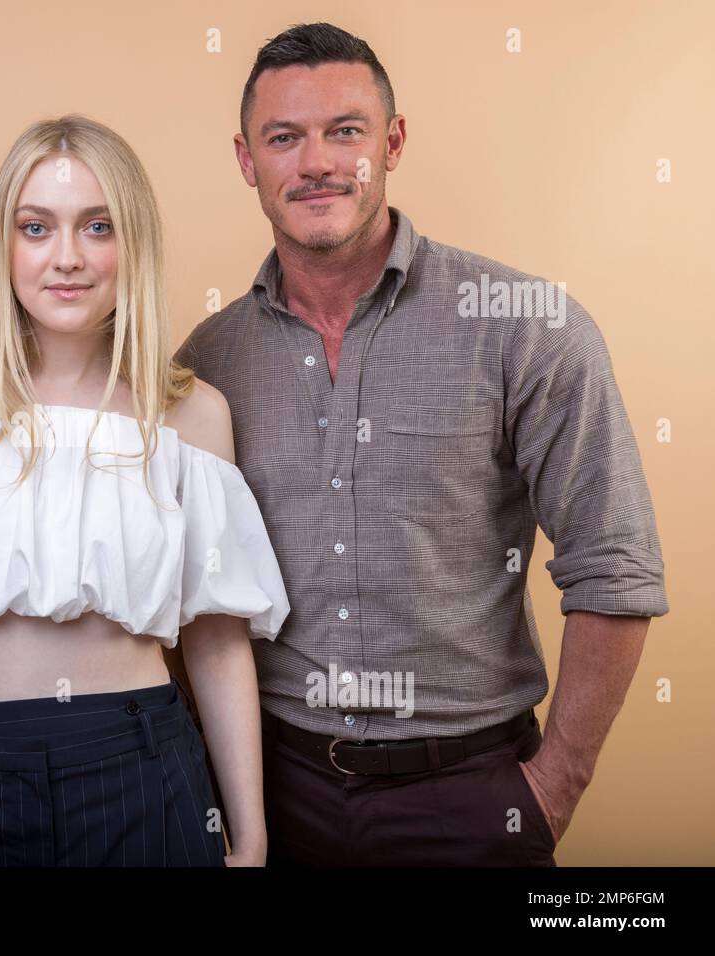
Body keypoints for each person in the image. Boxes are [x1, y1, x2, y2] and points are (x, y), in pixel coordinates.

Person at [174, 22, 669, 866]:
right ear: (245, 159)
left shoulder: (525, 330)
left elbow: (616, 567)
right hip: (269, 795)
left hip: (473, 796)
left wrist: (553, 789)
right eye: (284, 138)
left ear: (393, 143)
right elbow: (185, 593)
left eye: (346, 132)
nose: (317, 162)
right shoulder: (207, 363)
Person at [0, 115, 289, 867]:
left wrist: (252, 838)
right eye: (36, 227)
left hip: (141, 763)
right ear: (1, 246)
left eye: (98, 226)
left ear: (132, 242)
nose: (67, 258)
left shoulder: (192, 414)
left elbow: (217, 642)